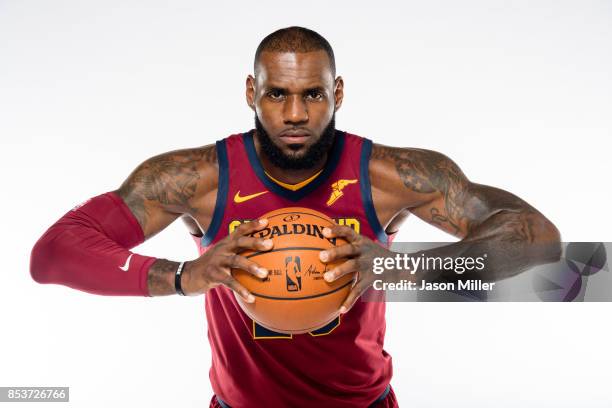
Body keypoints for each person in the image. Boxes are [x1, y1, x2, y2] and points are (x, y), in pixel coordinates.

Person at [30, 26, 561, 408]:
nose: (295, 115)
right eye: (276, 94)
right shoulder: (197, 179)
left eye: (313, 95)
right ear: (250, 93)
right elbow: (53, 252)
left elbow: (538, 239)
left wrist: (403, 271)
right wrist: (185, 276)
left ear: (339, 93)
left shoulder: (391, 174)